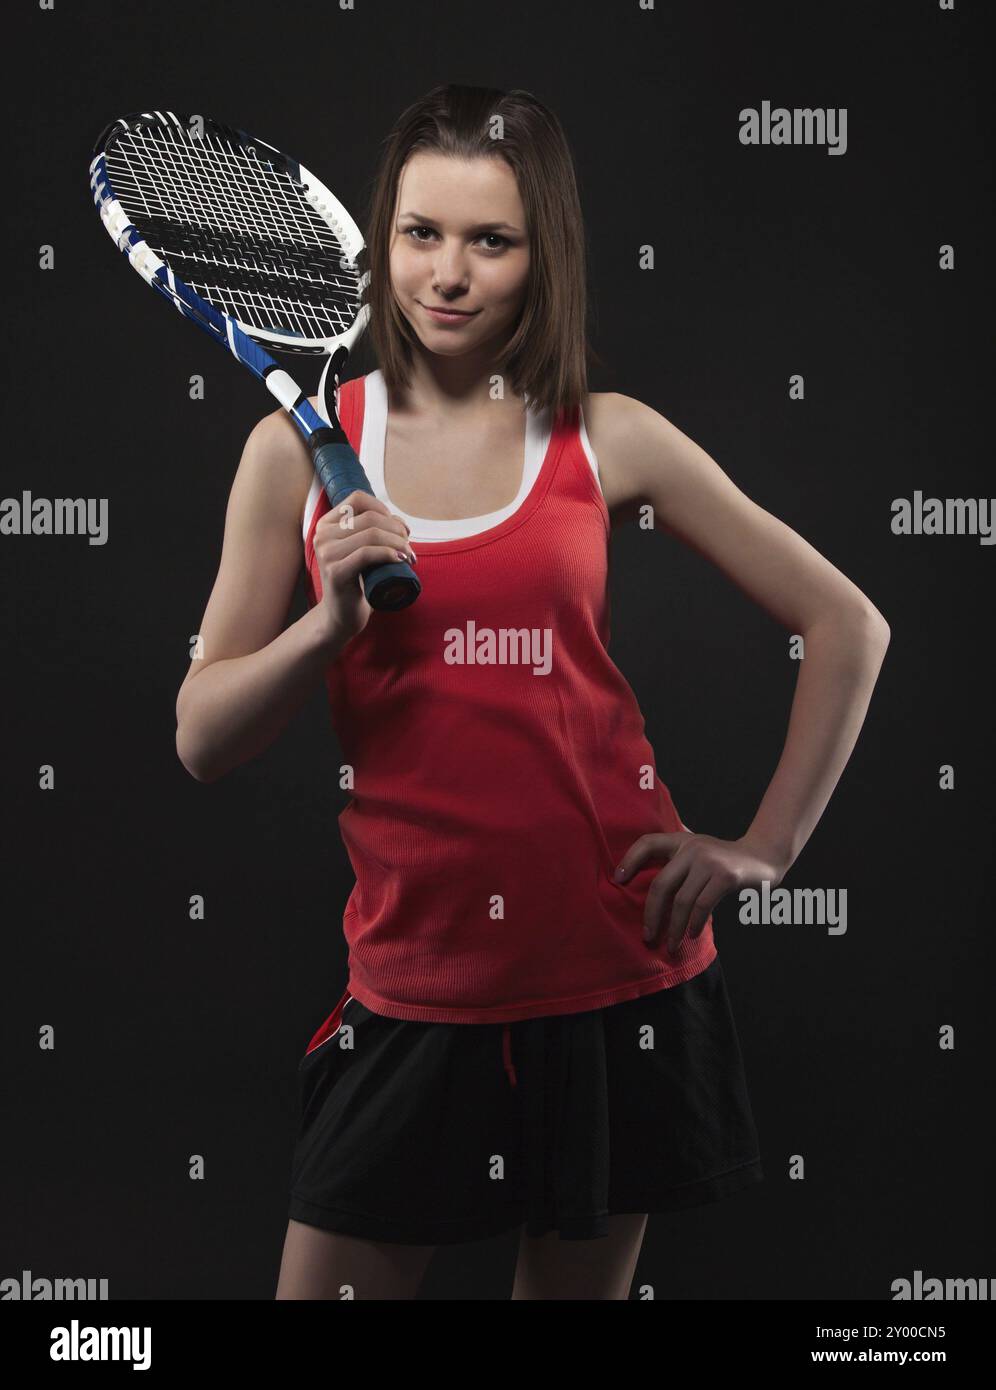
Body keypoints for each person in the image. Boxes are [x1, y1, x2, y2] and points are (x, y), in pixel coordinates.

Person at [175, 83, 890, 1301]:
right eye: (419, 233)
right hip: (415, 985)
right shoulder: (291, 454)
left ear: (539, 254)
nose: (447, 274)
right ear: (380, 240)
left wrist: (765, 847)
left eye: (490, 240)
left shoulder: (608, 436)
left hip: (617, 977)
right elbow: (202, 737)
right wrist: (330, 623)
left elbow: (847, 623)